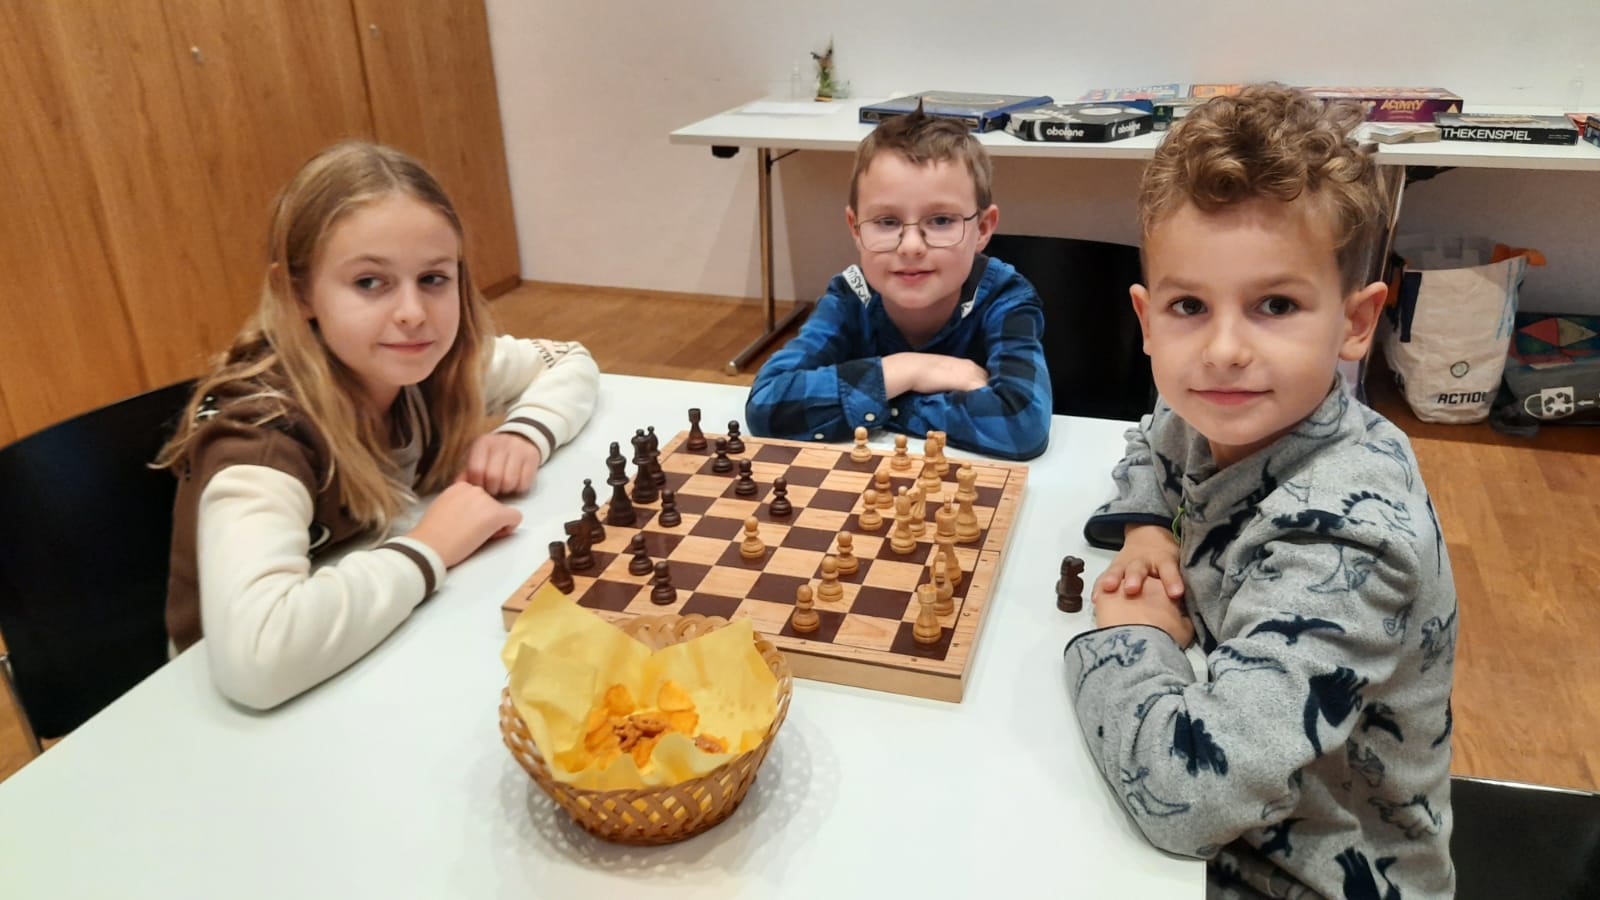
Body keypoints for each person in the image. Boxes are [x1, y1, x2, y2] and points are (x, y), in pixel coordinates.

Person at [1063, 85, 1456, 897]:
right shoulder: (1222, 410)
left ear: (1356, 322)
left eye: (1275, 304)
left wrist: (1135, 637)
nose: (1223, 350)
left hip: (1302, 875)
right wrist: (1146, 527)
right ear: (1147, 320)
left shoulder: (1347, 536)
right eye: (1189, 306)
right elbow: (1150, 439)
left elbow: (1188, 798)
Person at [157, 141, 599, 710]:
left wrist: (524, 434)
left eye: (433, 278)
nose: (413, 312)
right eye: (370, 282)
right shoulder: (262, 439)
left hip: (367, 654)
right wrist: (429, 546)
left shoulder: (430, 366)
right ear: (298, 292)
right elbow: (257, 659)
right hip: (222, 718)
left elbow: (567, 360)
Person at [744, 109, 1051, 461]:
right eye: (887, 221)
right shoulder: (851, 296)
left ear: (982, 228)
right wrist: (912, 369)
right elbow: (767, 404)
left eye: (941, 220)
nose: (911, 247)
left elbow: (1021, 424)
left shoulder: (1005, 297)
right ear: (856, 228)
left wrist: (879, 400)